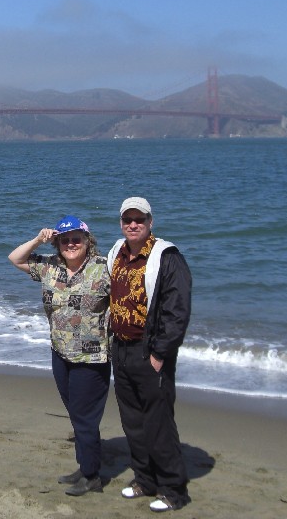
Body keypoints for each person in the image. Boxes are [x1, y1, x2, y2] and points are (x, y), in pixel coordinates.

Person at [8, 215, 110, 497]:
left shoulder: (104, 268)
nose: (71, 244)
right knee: (76, 414)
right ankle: (85, 466)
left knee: (85, 417)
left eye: (77, 239)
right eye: (65, 240)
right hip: (60, 352)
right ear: (58, 244)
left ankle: (92, 476)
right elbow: (15, 258)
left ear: (88, 241)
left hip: (91, 358)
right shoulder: (49, 267)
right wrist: (38, 239)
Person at [106, 197, 192, 512]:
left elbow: (177, 310)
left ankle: (173, 490)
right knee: (132, 421)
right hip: (121, 349)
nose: (133, 224)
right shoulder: (117, 252)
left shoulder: (167, 257)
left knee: (158, 422)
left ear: (150, 222)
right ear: (121, 223)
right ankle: (145, 480)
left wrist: (160, 353)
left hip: (149, 352)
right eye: (127, 219)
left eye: (139, 219)